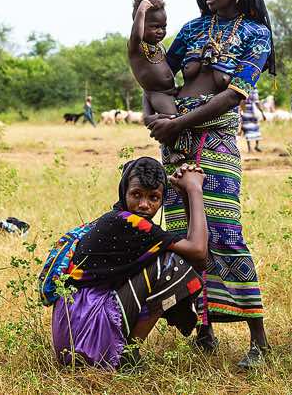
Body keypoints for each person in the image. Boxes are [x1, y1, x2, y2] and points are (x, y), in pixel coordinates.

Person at [146, 0, 273, 368]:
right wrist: (154, 114)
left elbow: (236, 93)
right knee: (184, 236)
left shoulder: (256, 33)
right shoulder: (191, 31)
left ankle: (258, 338)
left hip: (216, 144)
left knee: (224, 232)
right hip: (175, 147)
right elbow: (159, 78)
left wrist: (179, 122)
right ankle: (204, 330)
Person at [50, 157, 209, 369]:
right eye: (136, 195)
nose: (144, 205)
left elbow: (196, 256)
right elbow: (199, 252)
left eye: (154, 198)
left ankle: (121, 350)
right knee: (171, 264)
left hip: (71, 335)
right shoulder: (128, 222)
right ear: (124, 192)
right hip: (85, 333)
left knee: (172, 261)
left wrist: (184, 195)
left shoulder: (119, 219)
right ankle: (127, 355)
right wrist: (194, 190)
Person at [127, 0, 184, 163]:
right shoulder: (136, 48)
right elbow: (136, 35)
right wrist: (141, 11)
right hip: (159, 94)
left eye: (163, 26)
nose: (160, 31)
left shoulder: (158, 47)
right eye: (154, 26)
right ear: (140, 24)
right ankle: (171, 149)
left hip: (170, 90)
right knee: (172, 119)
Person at [239, 88, 266, 152]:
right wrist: (262, 113)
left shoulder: (245, 86)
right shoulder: (254, 89)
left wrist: (241, 111)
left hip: (246, 111)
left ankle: (249, 148)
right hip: (253, 112)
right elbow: (257, 102)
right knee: (255, 128)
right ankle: (256, 146)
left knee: (247, 130)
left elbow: (241, 101)